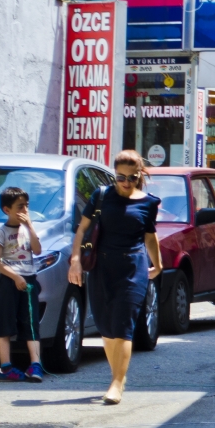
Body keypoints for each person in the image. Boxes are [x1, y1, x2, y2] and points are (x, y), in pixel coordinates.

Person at [68, 150, 162, 405]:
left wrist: (158, 263)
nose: (125, 182)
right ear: (114, 175)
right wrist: (75, 260)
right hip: (102, 267)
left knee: (122, 326)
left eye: (131, 177)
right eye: (120, 177)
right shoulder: (101, 196)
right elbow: (82, 229)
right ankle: (116, 375)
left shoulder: (148, 203)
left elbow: (150, 235)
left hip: (133, 268)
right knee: (106, 329)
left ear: (139, 176)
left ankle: (117, 383)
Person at [0, 187, 44, 383]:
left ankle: (35, 364)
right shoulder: (1, 232)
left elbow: (37, 250)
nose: (25, 210)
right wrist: (15, 277)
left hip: (29, 278)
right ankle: (5, 367)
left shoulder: (28, 231)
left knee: (31, 322)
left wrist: (30, 226)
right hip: (9, 280)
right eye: (20, 207)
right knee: (5, 323)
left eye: (26, 206)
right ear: (7, 210)